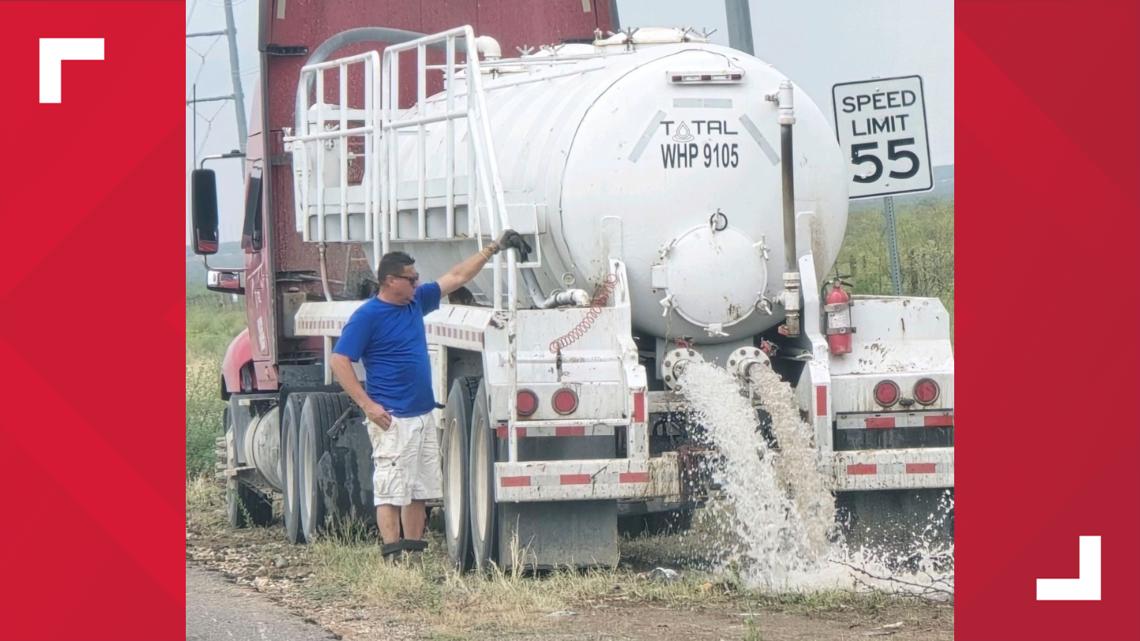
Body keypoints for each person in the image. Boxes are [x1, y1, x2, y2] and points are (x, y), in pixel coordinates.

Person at [329, 230, 531, 561]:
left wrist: (493, 248)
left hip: (422, 414)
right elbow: (340, 360)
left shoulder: (416, 302)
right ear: (391, 281)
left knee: (418, 491)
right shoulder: (368, 316)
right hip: (391, 418)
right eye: (411, 279)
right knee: (391, 491)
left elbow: (456, 276)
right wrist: (368, 406)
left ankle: (413, 554)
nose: (417, 283)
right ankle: (393, 556)